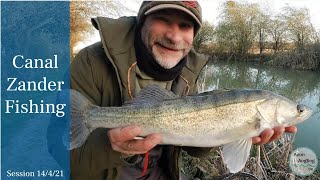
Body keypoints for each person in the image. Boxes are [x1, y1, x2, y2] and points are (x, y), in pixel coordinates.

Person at [67, 1, 297, 180]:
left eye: (185, 26)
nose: (174, 36)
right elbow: (58, 157)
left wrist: (231, 133)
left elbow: (193, 141)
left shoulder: (188, 73)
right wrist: (113, 147)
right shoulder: (91, 61)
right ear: (142, 21)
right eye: (163, 20)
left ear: (194, 35)